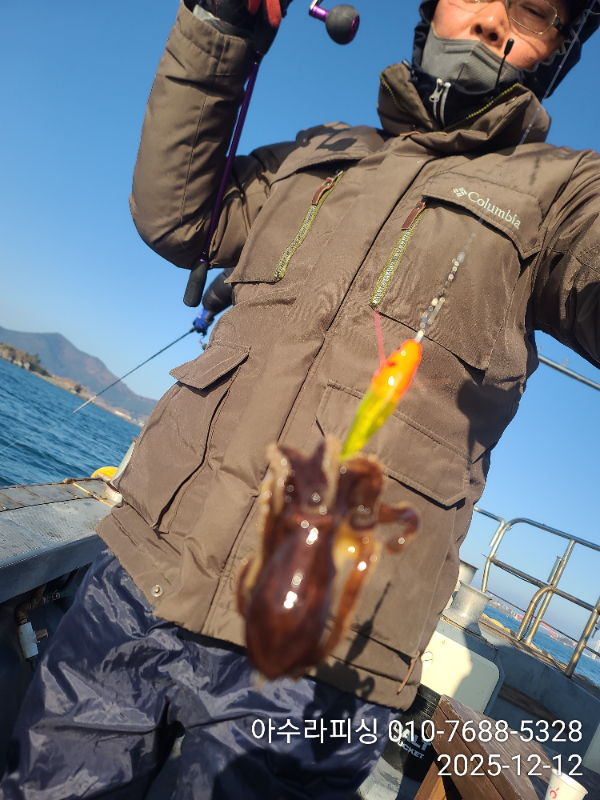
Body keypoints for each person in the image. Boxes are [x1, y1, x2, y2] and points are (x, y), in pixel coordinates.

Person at [2, 1, 600, 798]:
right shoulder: (321, 149)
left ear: (556, 54)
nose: (493, 20)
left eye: (532, 12)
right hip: (143, 576)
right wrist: (219, 31)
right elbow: (178, 218)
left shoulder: (566, 196)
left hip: (322, 659)